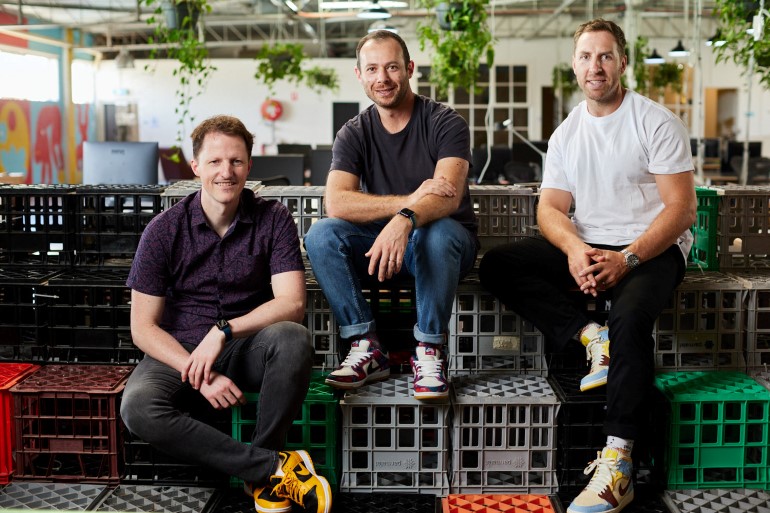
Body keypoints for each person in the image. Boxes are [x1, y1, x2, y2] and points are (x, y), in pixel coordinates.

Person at [479, 19, 696, 513]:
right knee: (499, 265)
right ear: (574, 65)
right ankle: (590, 336)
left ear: (623, 63)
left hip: (651, 248)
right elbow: (550, 210)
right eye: (585, 57)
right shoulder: (567, 133)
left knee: (630, 318)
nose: (594, 66)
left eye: (604, 56)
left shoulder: (655, 121)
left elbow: (681, 210)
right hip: (591, 246)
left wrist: (628, 258)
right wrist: (576, 251)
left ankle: (618, 462)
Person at [120, 115, 332, 513]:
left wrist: (223, 331)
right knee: (138, 407)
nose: (226, 172)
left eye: (236, 161)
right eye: (215, 161)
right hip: (179, 350)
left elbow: (291, 304)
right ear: (196, 166)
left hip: (246, 345)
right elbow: (143, 328)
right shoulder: (163, 231)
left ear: (249, 166)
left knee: (293, 337)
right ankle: (270, 470)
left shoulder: (274, 218)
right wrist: (198, 373)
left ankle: (265, 469)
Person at [303, 30, 479, 400]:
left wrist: (405, 218)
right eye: (372, 69)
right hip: (382, 247)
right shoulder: (354, 133)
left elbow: (447, 199)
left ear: (410, 68)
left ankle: (429, 349)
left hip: (445, 247)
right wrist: (409, 202)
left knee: (436, 233)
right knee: (322, 235)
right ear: (359, 75)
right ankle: (367, 346)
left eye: (392, 67)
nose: (382, 78)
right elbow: (337, 203)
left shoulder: (445, 122)